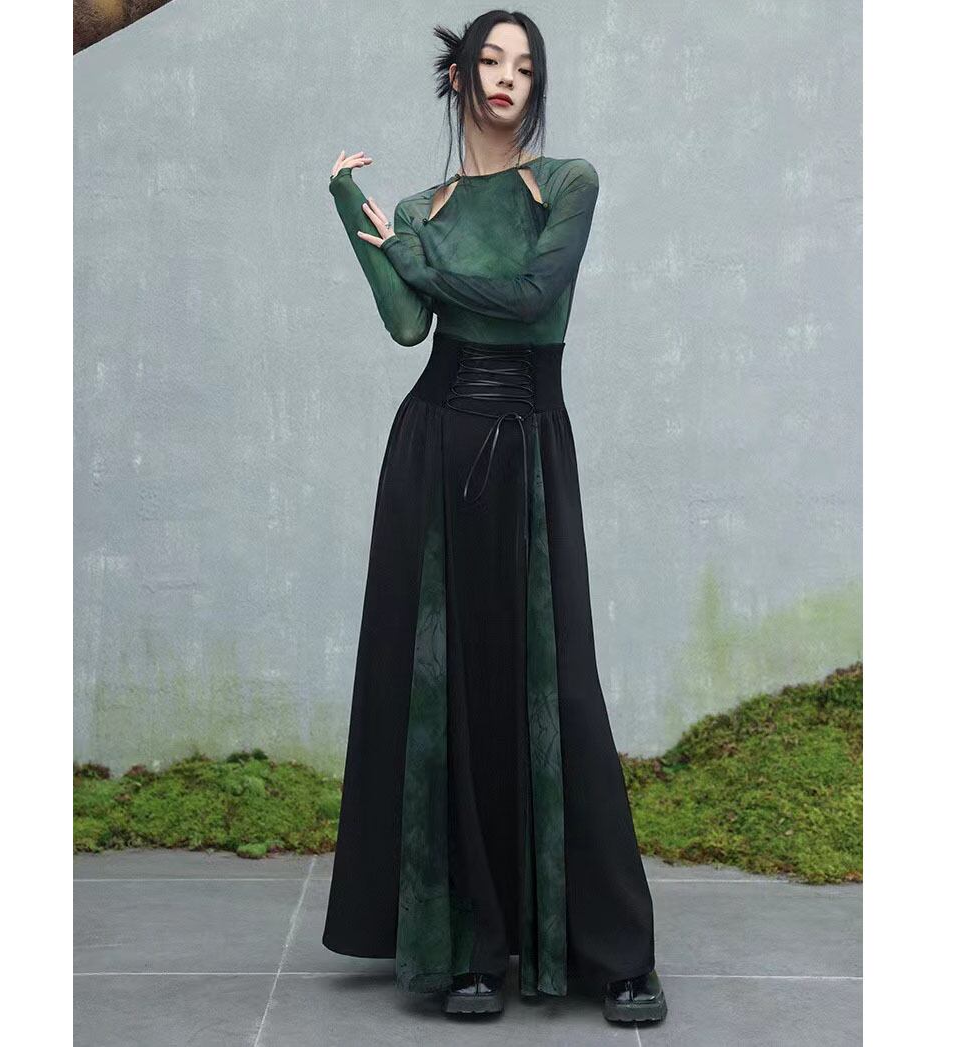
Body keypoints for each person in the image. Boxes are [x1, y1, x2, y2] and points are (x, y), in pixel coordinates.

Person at [320, 9, 667, 1026]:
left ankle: (616, 952)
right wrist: (351, 211)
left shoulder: (565, 183)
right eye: (490, 59)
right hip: (433, 448)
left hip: (526, 442)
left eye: (524, 64)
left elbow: (528, 295)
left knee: (561, 691)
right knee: (454, 692)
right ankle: (471, 945)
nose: (507, 76)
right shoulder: (419, 207)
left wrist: (418, 261)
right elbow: (406, 325)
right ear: (460, 77)